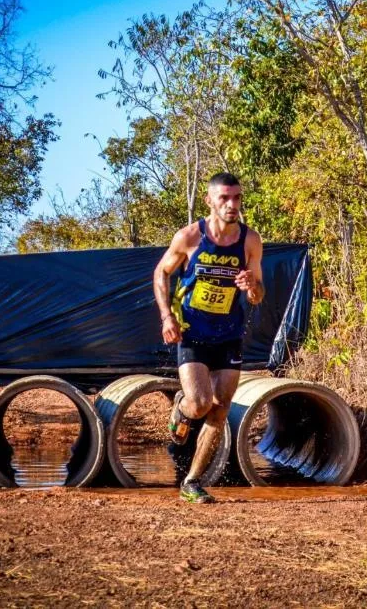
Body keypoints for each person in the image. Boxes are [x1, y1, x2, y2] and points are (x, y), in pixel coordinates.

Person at [152, 172, 264, 503]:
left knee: (220, 408)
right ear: (210, 201)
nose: (232, 204)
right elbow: (161, 272)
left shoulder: (250, 240)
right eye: (224, 198)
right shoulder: (189, 237)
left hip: (229, 335)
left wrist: (251, 286)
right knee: (200, 403)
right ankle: (182, 408)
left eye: (237, 198)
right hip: (192, 333)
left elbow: (258, 294)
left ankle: (192, 481)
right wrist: (167, 316)